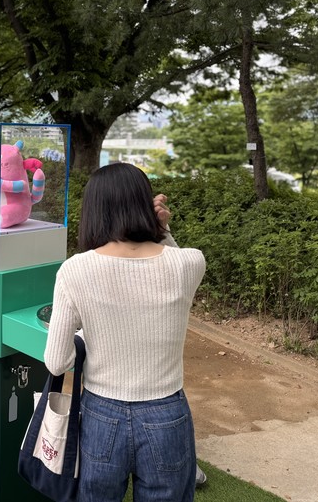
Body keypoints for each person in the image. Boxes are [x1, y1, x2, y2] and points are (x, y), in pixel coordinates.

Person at [44, 163, 206, 501]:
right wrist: (161, 229)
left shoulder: (74, 270)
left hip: (102, 413)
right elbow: (172, 264)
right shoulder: (190, 262)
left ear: (93, 210)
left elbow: (57, 362)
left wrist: (89, 336)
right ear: (145, 205)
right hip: (167, 411)